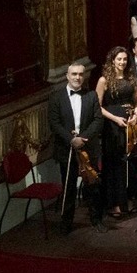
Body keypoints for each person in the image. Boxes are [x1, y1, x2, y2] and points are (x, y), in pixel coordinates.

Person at [48, 59, 105, 234]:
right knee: (69, 186)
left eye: (81, 74)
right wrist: (71, 140)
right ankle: (66, 223)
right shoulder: (56, 97)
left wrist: (83, 138)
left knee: (93, 186)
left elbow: (98, 120)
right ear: (67, 76)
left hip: (88, 148)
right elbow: (54, 123)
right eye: (74, 74)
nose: (78, 77)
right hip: (67, 149)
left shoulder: (91, 95)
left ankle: (96, 220)